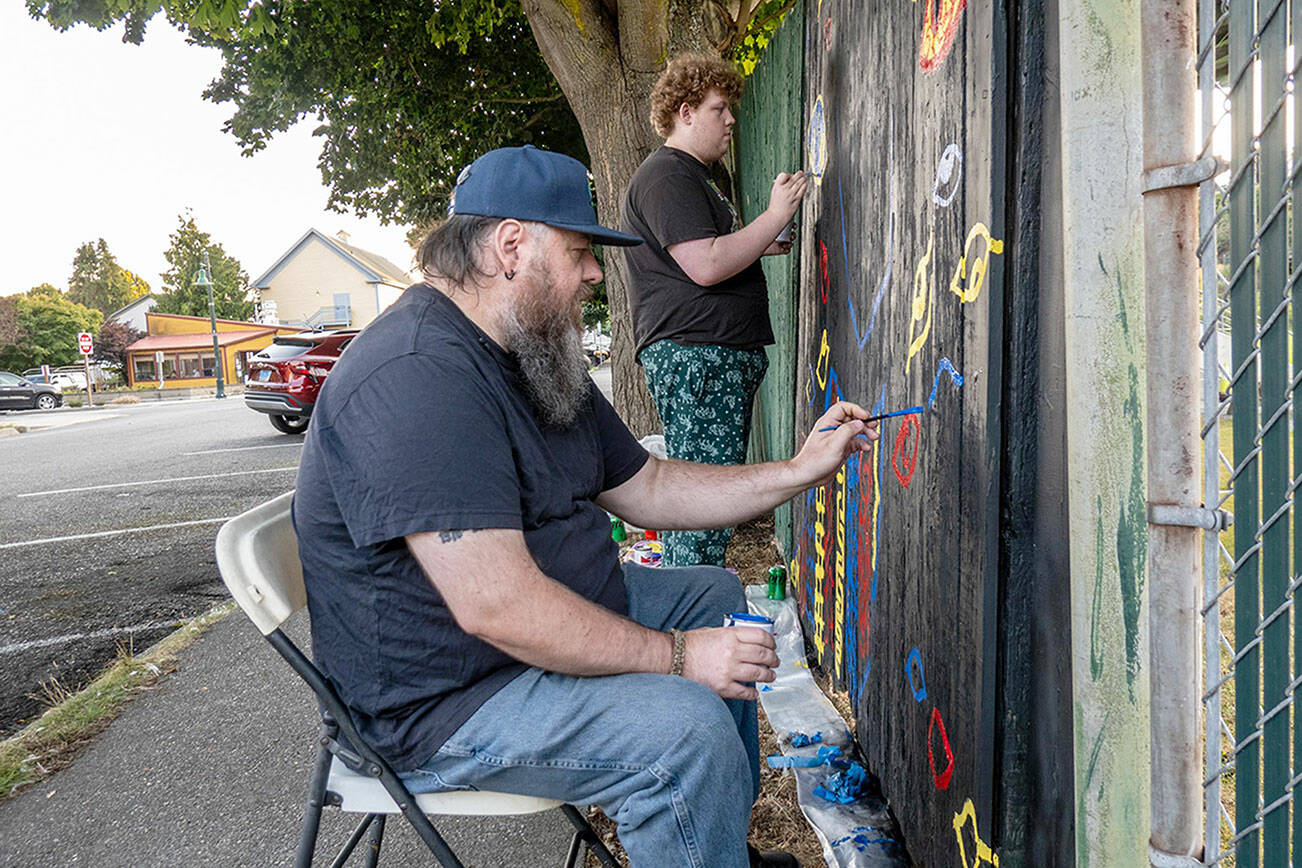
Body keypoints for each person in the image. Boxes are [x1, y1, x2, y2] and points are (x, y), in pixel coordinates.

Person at [293, 145, 875, 868]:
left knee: (714, 593)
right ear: (512, 246)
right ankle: (696, 813)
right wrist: (678, 657)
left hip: (514, 644)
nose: (597, 274)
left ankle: (711, 844)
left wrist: (798, 470)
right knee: (684, 726)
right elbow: (497, 607)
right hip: (448, 700)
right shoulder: (419, 376)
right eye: (580, 252)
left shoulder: (527, 353)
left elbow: (649, 486)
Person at [621, 52, 806, 569]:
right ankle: (690, 630)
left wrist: (764, 237)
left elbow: (709, 250)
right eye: (719, 109)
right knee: (704, 507)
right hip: (700, 359)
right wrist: (772, 216)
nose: (730, 120)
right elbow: (704, 264)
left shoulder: (698, 177)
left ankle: (693, 615)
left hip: (711, 359)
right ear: (685, 112)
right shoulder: (667, 177)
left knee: (709, 504)